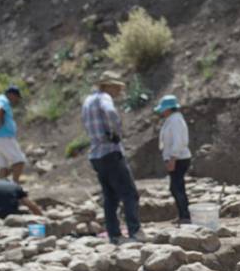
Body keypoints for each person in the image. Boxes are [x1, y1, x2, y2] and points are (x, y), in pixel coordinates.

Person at [81, 71, 143, 244]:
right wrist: (115, 131)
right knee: (129, 193)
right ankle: (135, 231)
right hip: (110, 150)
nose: (118, 92)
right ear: (107, 85)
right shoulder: (104, 98)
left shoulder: (87, 101)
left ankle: (114, 234)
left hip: (96, 154)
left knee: (110, 197)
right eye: (116, 88)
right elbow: (111, 113)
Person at [155, 94, 192, 224]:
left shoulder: (175, 120)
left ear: (169, 108)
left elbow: (179, 141)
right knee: (177, 187)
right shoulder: (172, 119)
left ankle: (185, 216)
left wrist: (173, 158)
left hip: (179, 158)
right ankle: (183, 214)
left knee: (176, 187)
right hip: (176, 157)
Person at [0, 85, 27, 183]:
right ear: (11, 94)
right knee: (19, 161)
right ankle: (15, 187)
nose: (17, 100)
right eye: (16, 97)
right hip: (4, 137)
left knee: (3, 167)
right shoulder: (3, 100)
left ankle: (2, 190)